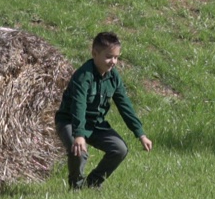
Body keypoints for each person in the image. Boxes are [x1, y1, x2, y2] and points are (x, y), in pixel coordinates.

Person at [55, 32, 153, 189]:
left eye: (116, 57)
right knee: (78, 151)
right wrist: (79, 135)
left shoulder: (113, 77)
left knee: (119, 149)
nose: (113, 61)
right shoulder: (83, 75)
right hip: (70, 121)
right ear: (94, 53)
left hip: (94, 124)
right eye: (109, 57)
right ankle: (76, 186)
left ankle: (93, 182)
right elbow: (78, 105)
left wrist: (140, 133)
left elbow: (124, 105)